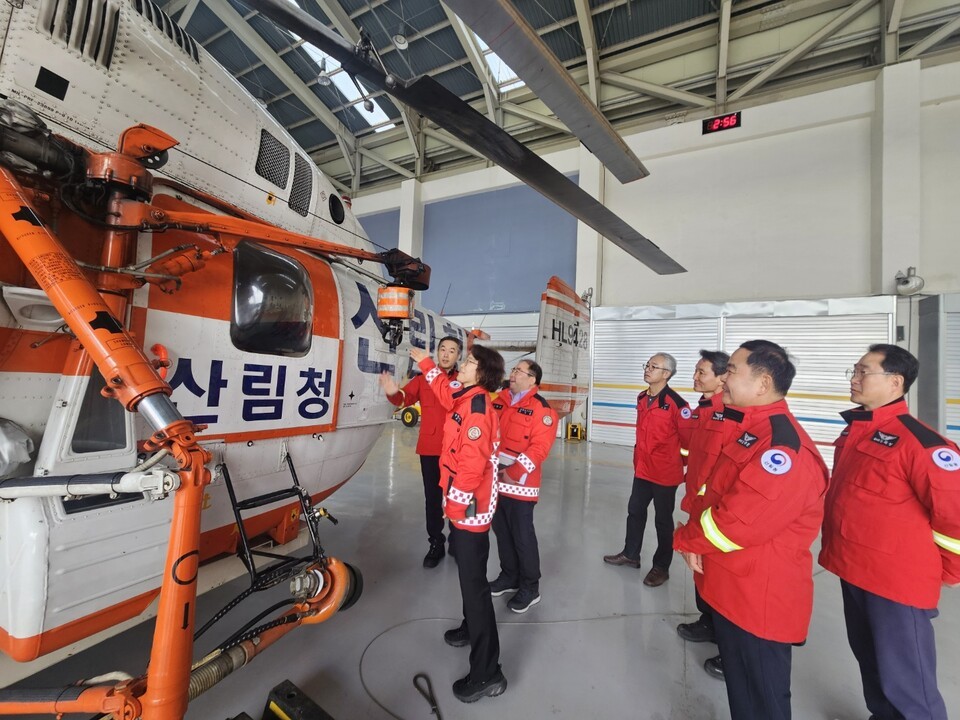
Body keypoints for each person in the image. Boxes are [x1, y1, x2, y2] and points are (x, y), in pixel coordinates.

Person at [674, 340, 828, 720]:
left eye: (733, 371)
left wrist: (685, 540)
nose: (723, 377)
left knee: (761, 701)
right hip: (733, 587)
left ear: (763, 384)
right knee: (743, 695)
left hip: (758, 599)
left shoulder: (782, 449)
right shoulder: (751, 431)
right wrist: (698, 537)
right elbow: (715, 492)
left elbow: (736, 525)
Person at [819, 344, 959, 720]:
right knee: (872, 664)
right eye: (855, 370)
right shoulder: (859, 431)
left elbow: (956, 516)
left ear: (895, 382)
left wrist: (944, 571)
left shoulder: (922, 444)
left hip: (896, 583)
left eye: (864, 371)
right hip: (855, 569)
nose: (854, 378)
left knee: (908, 683)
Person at [410, 343, 508, 704]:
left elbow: (470, 467)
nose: (461, 365)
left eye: (467, 361)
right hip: (463, 508)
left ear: (480, 373)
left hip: (469, 511)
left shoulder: (478, 409)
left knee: (475, 588)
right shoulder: (465, 397)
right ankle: (469, 627)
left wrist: (453, 505)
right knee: (470, 580)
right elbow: (440, 388)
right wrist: (423, 360)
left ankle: (488, 673)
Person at [675, 349, 738, 681]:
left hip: (713, 507)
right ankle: (708, 621)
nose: (696, 377)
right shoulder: (702, 411)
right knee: (701, 572)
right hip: (695, 503)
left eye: (702, 372)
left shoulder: (729, 414)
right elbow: (694, 454)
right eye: (695, 371)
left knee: (718, 573)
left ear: (722, 376)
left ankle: (728, 642)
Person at [603, 353, 688, 587]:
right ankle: (631, 554)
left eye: (654, 366)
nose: (648, 369)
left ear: (666, 374)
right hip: (642, 469)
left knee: (663, 521)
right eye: (647, 365)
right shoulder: (642, 397)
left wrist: (674, 461)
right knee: (635, 511)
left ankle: (661, 567)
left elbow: (688, 442)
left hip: (664, 473)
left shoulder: (678, 405)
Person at [380, 336, 462, 568]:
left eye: (452, 351)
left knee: (458, 496)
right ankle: (436, 542)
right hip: (431, 449)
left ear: (458, 356)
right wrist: (392, 392)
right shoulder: (422, 378)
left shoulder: (462, 381)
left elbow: (451, 402)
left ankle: (457, 538)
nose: (446, 354)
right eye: (443, 349)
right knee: (433, 499)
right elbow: (403, 399)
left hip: (457, 450)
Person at [488, 359, 559, 614]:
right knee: (502, 533)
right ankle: (509, 576)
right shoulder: (498, 400)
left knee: (522, 536)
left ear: (533, 380)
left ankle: (530, 587)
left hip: (520, 485)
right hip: (494, 482)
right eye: (514, 369)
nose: (514, 373)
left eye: (520, 371)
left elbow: (540, 448)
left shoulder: (542, 410)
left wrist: (513, 472)